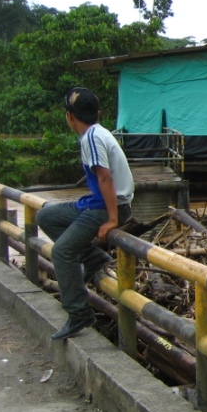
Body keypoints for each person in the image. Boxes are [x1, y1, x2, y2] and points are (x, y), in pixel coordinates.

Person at [37, 87, 134, 340]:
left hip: (108, 207)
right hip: (95, 204)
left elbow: (105, 176)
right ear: (98, 113)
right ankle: (93, 258)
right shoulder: (97, 132)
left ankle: (79, 313)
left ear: (69, 116)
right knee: (46, 216)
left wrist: (112, 219)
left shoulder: (92, 138)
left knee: (62, 251)